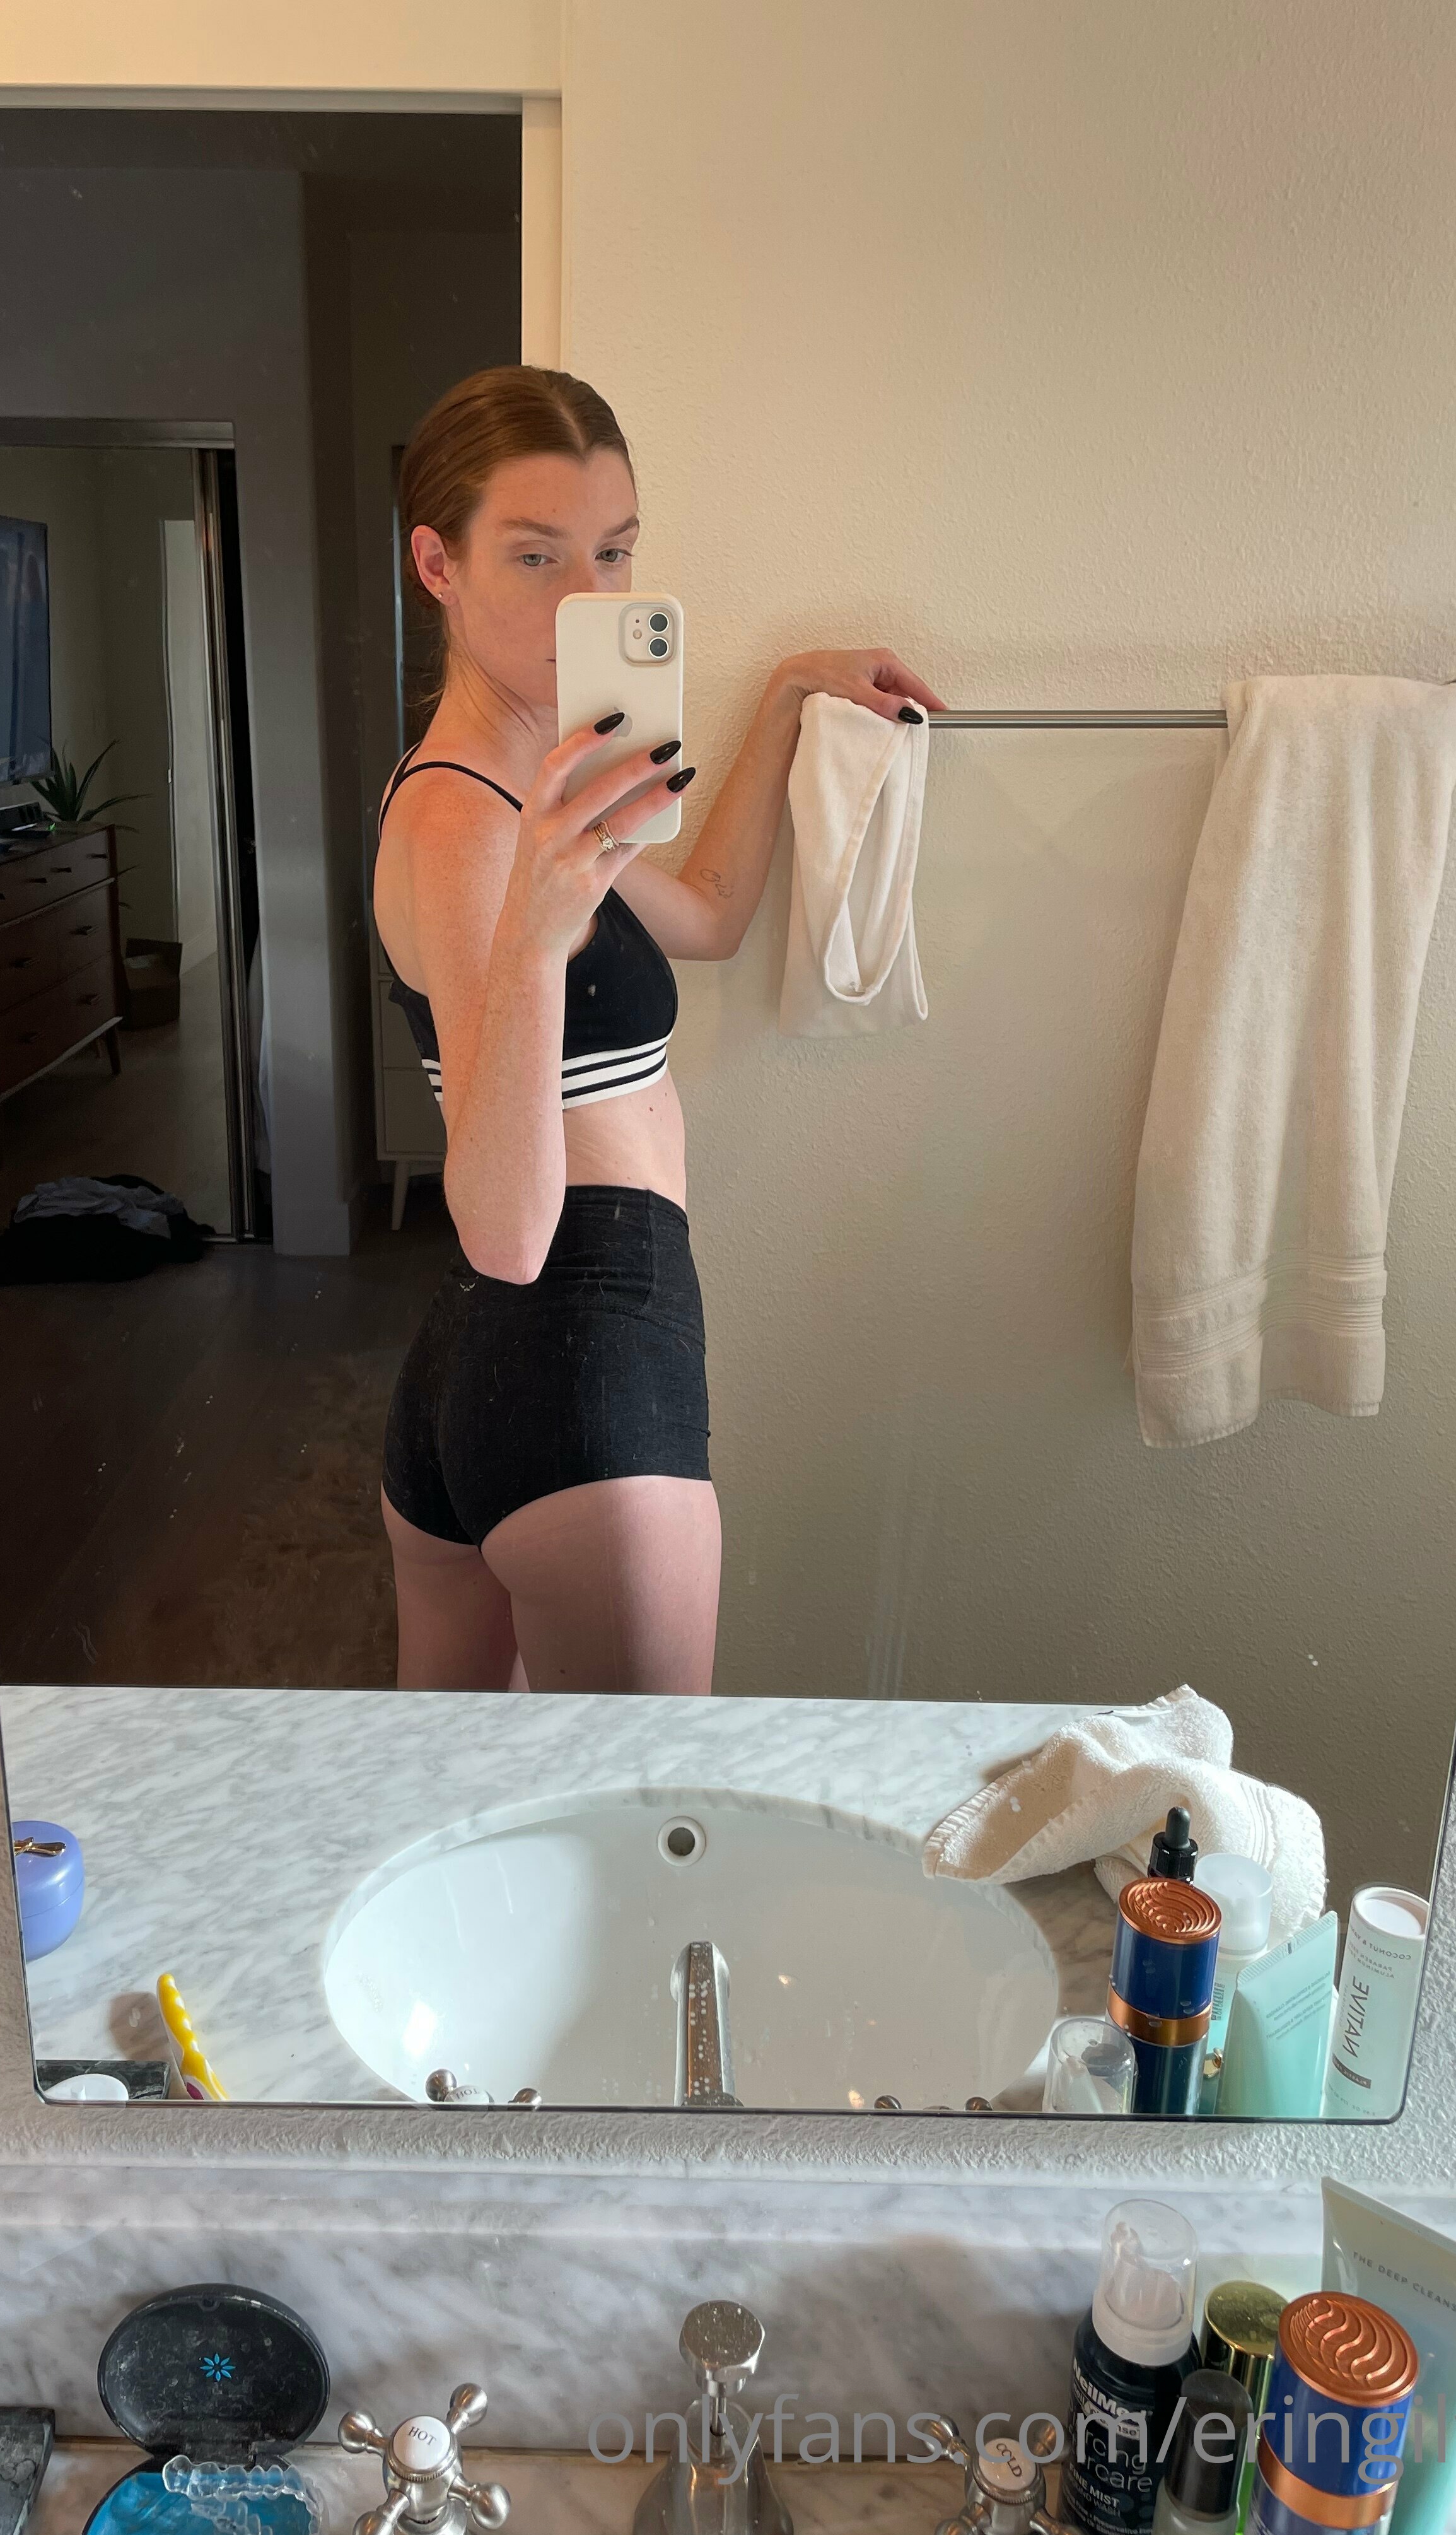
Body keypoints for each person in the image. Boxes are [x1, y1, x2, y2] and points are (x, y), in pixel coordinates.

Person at [374, 365, 943, 1695]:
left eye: (615, 554)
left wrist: (786, 697)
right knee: (643, 1817)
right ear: (438, 565)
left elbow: (711, 916)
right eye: (536, 556)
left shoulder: (534, 784)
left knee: (450, 1799)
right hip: (582, 1348)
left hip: (484, 1367)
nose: (588, 599)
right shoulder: (464, 826)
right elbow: (507, 1232)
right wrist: (536, 928)